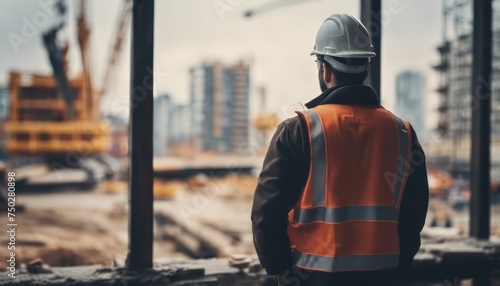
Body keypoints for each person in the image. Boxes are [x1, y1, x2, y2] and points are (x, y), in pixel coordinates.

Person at [251, 13, 429, 286]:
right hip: (384, 277)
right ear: (366, 67)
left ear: (325, 69)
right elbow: (413, 214)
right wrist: (397, 267)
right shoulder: (402, 132)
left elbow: (266, 214)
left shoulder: (300, 130)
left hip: (311, 277)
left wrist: (284, 273)